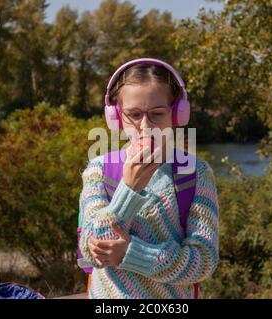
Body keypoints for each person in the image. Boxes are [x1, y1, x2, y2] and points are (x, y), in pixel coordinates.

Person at [78, 58, 219, 299]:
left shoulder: (195, 174)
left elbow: (204, 262)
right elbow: (91, 254)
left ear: (177, 114)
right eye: (133, 114)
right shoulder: (99, 170)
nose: (145, 126)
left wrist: (131, 254)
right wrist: (129, 188)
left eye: (157, 114)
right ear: (116, 117)